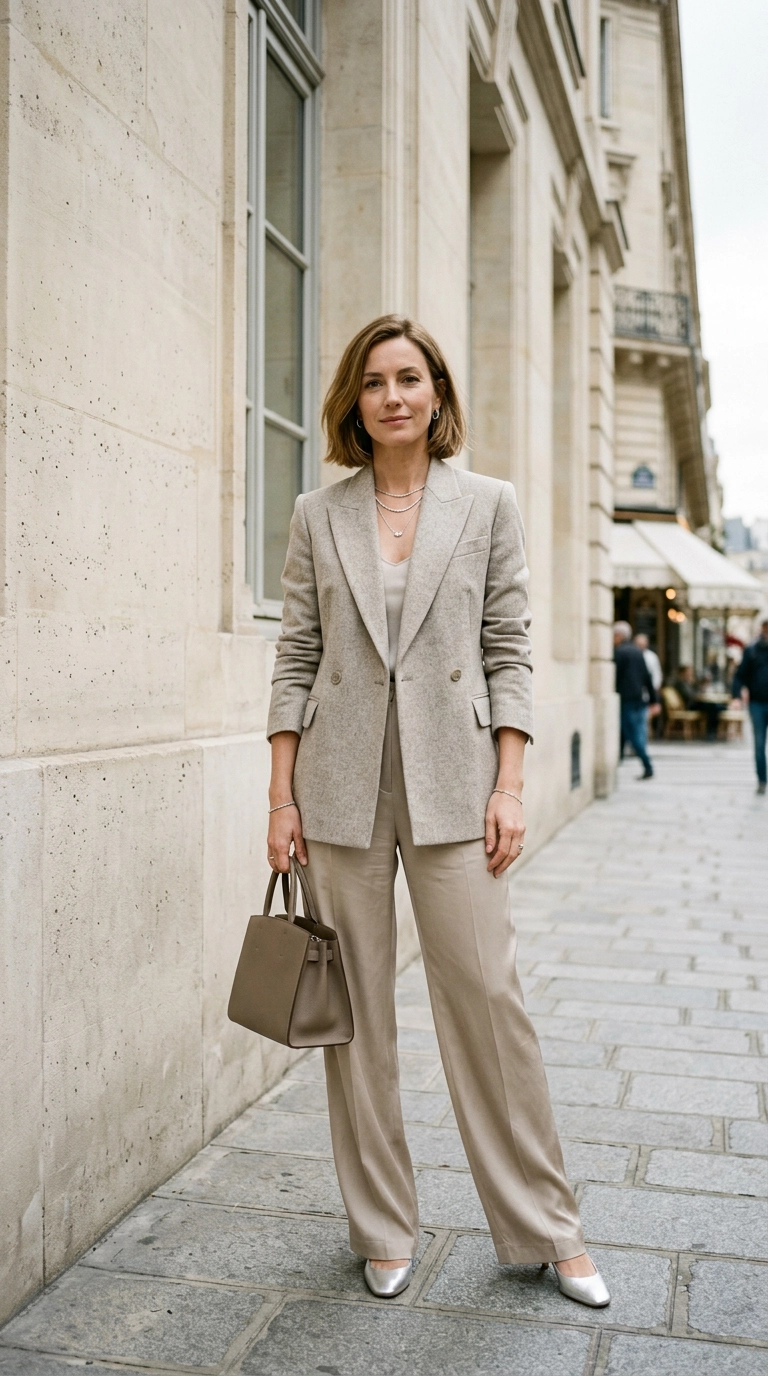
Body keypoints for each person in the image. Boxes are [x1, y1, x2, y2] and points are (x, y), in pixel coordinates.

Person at [266, 315, 610, 1309]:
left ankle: (550, 1226)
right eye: (374, 381)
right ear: (354, 401)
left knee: (490, 1002)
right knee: (356, 1018)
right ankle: (381, 1225)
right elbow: (296, 655)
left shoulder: (488, 504)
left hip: (457, 781)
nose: (393, 396)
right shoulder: (317, 513)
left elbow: (508, 646)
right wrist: (280, 795)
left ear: (438, 393)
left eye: (409, 378)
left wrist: (510, 783)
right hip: (337, 785)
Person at [614, 622, 657, 778]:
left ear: (619, 636)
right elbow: (647, 677)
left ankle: (647, 765)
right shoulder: (637, 652)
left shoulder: (619, 652)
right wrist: (654, 700)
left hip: (626, 699)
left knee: (632, 733)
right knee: (633, 731)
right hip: (639, 698)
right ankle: (619, 760)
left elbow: (615, 676)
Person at [731, 619, 768, 794]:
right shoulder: (753, 650)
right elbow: (740, 675)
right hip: (757, 703)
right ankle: (762, 780)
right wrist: (736, 696)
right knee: (759, 744)